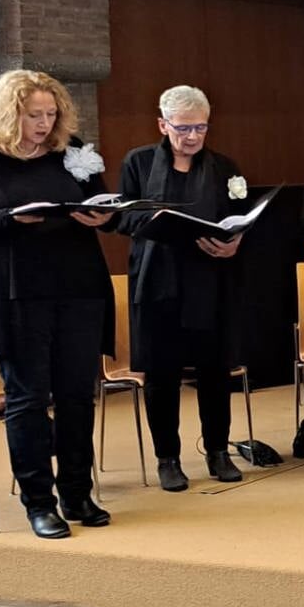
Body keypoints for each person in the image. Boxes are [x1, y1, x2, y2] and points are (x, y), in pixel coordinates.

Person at [0, 69, 116, 538]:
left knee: (78, 395)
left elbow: (105, 207)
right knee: (28, 398)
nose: (44, 123)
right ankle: (40, 502)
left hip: (77, 288)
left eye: (51, 114)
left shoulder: (72, 151)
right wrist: (9, 219)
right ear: (8, 112)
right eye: (34, 114)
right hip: (15, 294)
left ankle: (77, 493)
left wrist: (101, 217)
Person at [114, 86, 247, 491]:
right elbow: (121, 220)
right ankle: (167, 458)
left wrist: (235, 241)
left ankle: (218, 451)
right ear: (163, 124)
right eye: (183, 127)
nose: (192, 136)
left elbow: (238, 219)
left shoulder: (224, 167)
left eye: (201, 127)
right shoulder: (138, 163)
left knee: (213, 370)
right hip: (158, 280)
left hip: (208, 277)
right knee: (162, 373)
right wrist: (154, 222)